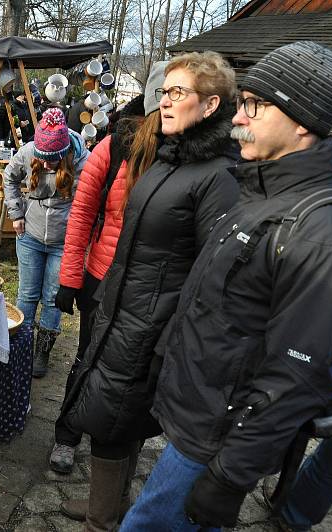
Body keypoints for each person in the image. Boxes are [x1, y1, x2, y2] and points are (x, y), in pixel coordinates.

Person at [121, 41, 332, 531]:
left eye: (256, 105)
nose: (239, 117)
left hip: (217, 438)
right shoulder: (257, 192)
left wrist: (231, 476)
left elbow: (297, 374)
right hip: (196, 417)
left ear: (302, 121)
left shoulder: (327, 234)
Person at [60, 51, 240, 531]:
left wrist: (168, 335)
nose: (164, 100)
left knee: (114, 418)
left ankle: (102, 520)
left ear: (210, 105)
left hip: (152, 323)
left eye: (178, 92)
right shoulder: (166, 157)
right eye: (163, 91)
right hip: (119, 308)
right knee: (115, 415)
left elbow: (211, 275)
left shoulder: (218, 177)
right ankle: (109, 503)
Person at [49, 64, 166, 481]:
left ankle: (121, 449)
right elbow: (81, 212)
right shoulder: (116, 146)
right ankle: (67, 434)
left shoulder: (191, 155)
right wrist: (69, 278)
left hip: (154, 289)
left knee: (137, 373)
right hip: (102, 278)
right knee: (87, 360)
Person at [3, 107, 89, 378]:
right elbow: (10, 178)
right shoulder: (28, 151)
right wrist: (16, 213)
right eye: (44, 159)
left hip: (64, 241)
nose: (48, 164)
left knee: (52, 297)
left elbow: (90, 202)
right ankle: (21, 346)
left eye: (54, 160)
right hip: (30, 236)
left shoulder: (82, 161)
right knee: (27, 294)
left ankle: (42, 351)